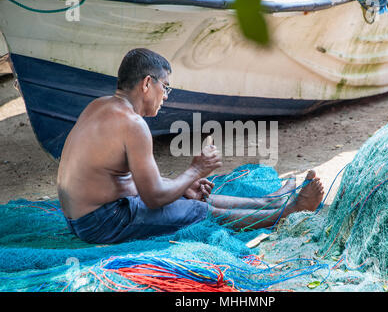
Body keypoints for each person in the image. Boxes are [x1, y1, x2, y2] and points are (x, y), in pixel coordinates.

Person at [57, 48, 324, 244]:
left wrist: (183, 185)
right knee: (197, 210)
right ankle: (286, 213)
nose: (166, 97)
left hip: (81, 218)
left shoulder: (99, 106)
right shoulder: (132, 124)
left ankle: (269, 200)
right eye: (166, 87)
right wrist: (195, 171)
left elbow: (122, 180)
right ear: (147, 84)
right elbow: (153, 198)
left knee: (193, 195)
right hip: (101, 222)